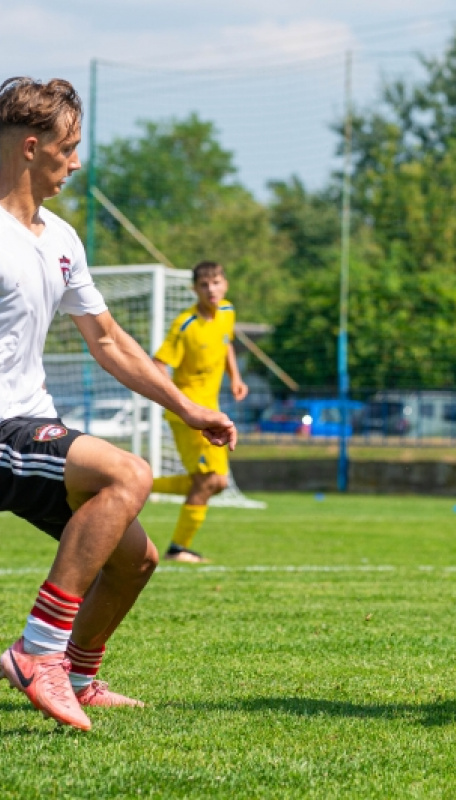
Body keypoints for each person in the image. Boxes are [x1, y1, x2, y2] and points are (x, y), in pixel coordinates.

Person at [0, 76, 237, 731]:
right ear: (28, 147)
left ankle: (75, 675)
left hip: (28, 423)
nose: (75, 162)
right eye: (67, 147)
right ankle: (37, 652)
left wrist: (190, 408)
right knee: (128, 472)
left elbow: (108, 339)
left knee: (135, 561)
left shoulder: (61, 240)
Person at [150, 260, 248, 564]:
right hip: (189, 415)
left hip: (212, 410)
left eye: (216, 282)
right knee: (210, 481)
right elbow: (158, 364)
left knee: (213, 482)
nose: (211, 290)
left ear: (225, 284)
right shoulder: (185, 324)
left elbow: (226, 342)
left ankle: (136, 482)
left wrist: (235, 377)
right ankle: (178, 549)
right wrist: (181, 404)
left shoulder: (228, 312)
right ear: (195, 289)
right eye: (204, 285)